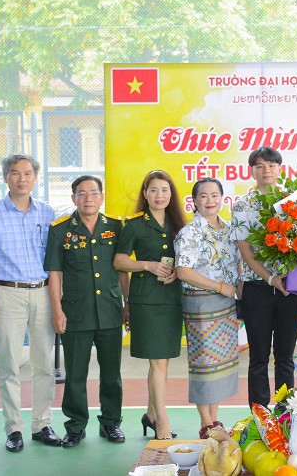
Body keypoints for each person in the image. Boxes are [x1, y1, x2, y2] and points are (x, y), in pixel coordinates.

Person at [0, 153, 61, 452]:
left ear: (35, 177)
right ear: (5, 177)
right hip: (6, 294)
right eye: (14, 173)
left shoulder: (48, 214)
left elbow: (57, 262)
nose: (21, 178)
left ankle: (42, 424)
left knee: (43, 365)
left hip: (43, 293)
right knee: (8, 364)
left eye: (27, 173)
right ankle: (13, 428)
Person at [44, 176, 128, 448]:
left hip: (110, 310)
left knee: (111, 373)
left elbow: (122, 268)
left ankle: (111, 423)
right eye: (82, 194)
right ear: (73, 199)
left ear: (102, 197)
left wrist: (129, 305)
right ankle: (76, 426)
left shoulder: (115, 227)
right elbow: (55, 273)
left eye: (93, 193)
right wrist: (57, 310)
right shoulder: (60, 229)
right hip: (76, 312)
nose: (88, 198)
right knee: (76, 373)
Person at [114, 170, 186, 440]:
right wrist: (146, 265)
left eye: (165, 190)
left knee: (162, 361)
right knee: (158, 362)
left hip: (173, 298)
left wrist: (178, 270)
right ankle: (162, 423)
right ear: (145, 194)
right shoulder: (133, 224)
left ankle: (151, 414)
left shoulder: (179, 223)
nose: (159, 195)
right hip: (146, 299)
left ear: (171, 194)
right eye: (153, 190)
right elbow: (119, 261)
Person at [230, 146, 297, 408]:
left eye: (271, 165)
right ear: (252, 171)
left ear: (280, 169)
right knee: (258, 357)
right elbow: (246, 252)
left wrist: (291, 277)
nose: (266, 170)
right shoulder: (242, 205)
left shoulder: (294, 202)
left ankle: (285, 413)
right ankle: (259, 415)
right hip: (257, 288)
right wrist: (271, 278)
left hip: (290, 289)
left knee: (285, 358)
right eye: (260, 166)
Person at [175, 178, 241, 438]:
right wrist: (219, 286)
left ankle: (215, 420)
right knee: (204, 364)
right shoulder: (190, 232)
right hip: (201, 302)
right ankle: (205, 423)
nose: (210, 200)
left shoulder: (228, 228)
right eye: (204, 196)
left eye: (215, 195)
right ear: (194, 201)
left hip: (226, 304)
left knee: (221, 364)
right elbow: (183, 272)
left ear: (222, 198)